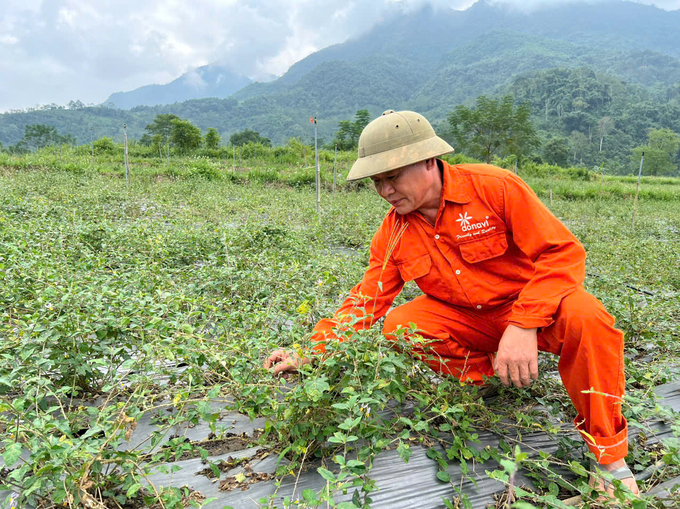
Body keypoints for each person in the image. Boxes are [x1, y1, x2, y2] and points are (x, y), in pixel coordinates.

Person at [264, 110, 638, 498]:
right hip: (467, 320)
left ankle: (609, 458)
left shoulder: (494, 187)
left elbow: (562, 253)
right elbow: (367, 300)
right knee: (401, 325)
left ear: (429, 160)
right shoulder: (393, 231)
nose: (386, 191)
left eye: (393, 177)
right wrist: (310, 352)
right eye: (377, 181)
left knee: (589, 318)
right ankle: (495, 375)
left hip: (532, 307)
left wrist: (523, 324)